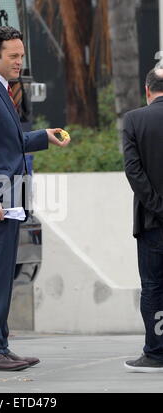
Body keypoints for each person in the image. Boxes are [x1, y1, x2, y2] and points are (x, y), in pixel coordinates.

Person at [0, 26, 70, 372]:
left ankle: (0, 345)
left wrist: (44, 136)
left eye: (21, 56)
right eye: (13, 56)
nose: (19, 62)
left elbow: (9, 143)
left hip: (8, 201)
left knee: (1, 274)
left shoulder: (0, 89)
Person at [123, 68, 163, 372]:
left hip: (151, 223)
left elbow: (133, 171)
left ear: (147, 90)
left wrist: (156, 207)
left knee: (153, 287)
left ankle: (156, 352)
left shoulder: (135, 120)